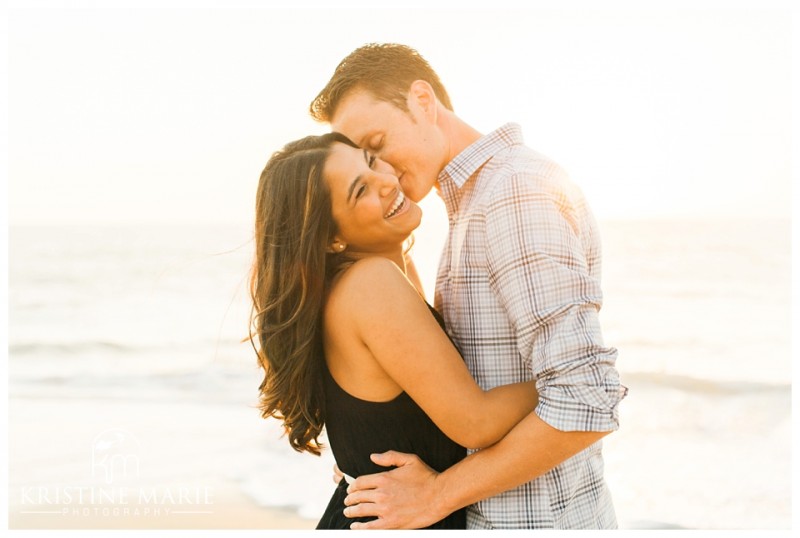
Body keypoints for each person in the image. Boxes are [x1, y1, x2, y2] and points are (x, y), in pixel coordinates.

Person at [309, 43, 627, 529]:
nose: (386, 174)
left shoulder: (513, 194)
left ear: (422, 100)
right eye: (366, 163)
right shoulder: (472, 206)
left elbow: (585, 396)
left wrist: (437, 495)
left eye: (376, 147)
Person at [248, 132, 539, 529]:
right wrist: (565, 377)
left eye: (371, 161)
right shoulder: (372, 283)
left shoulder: (378, 274)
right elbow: (476, 422)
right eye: (360, 191)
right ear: (332, 238)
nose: (386, 181)